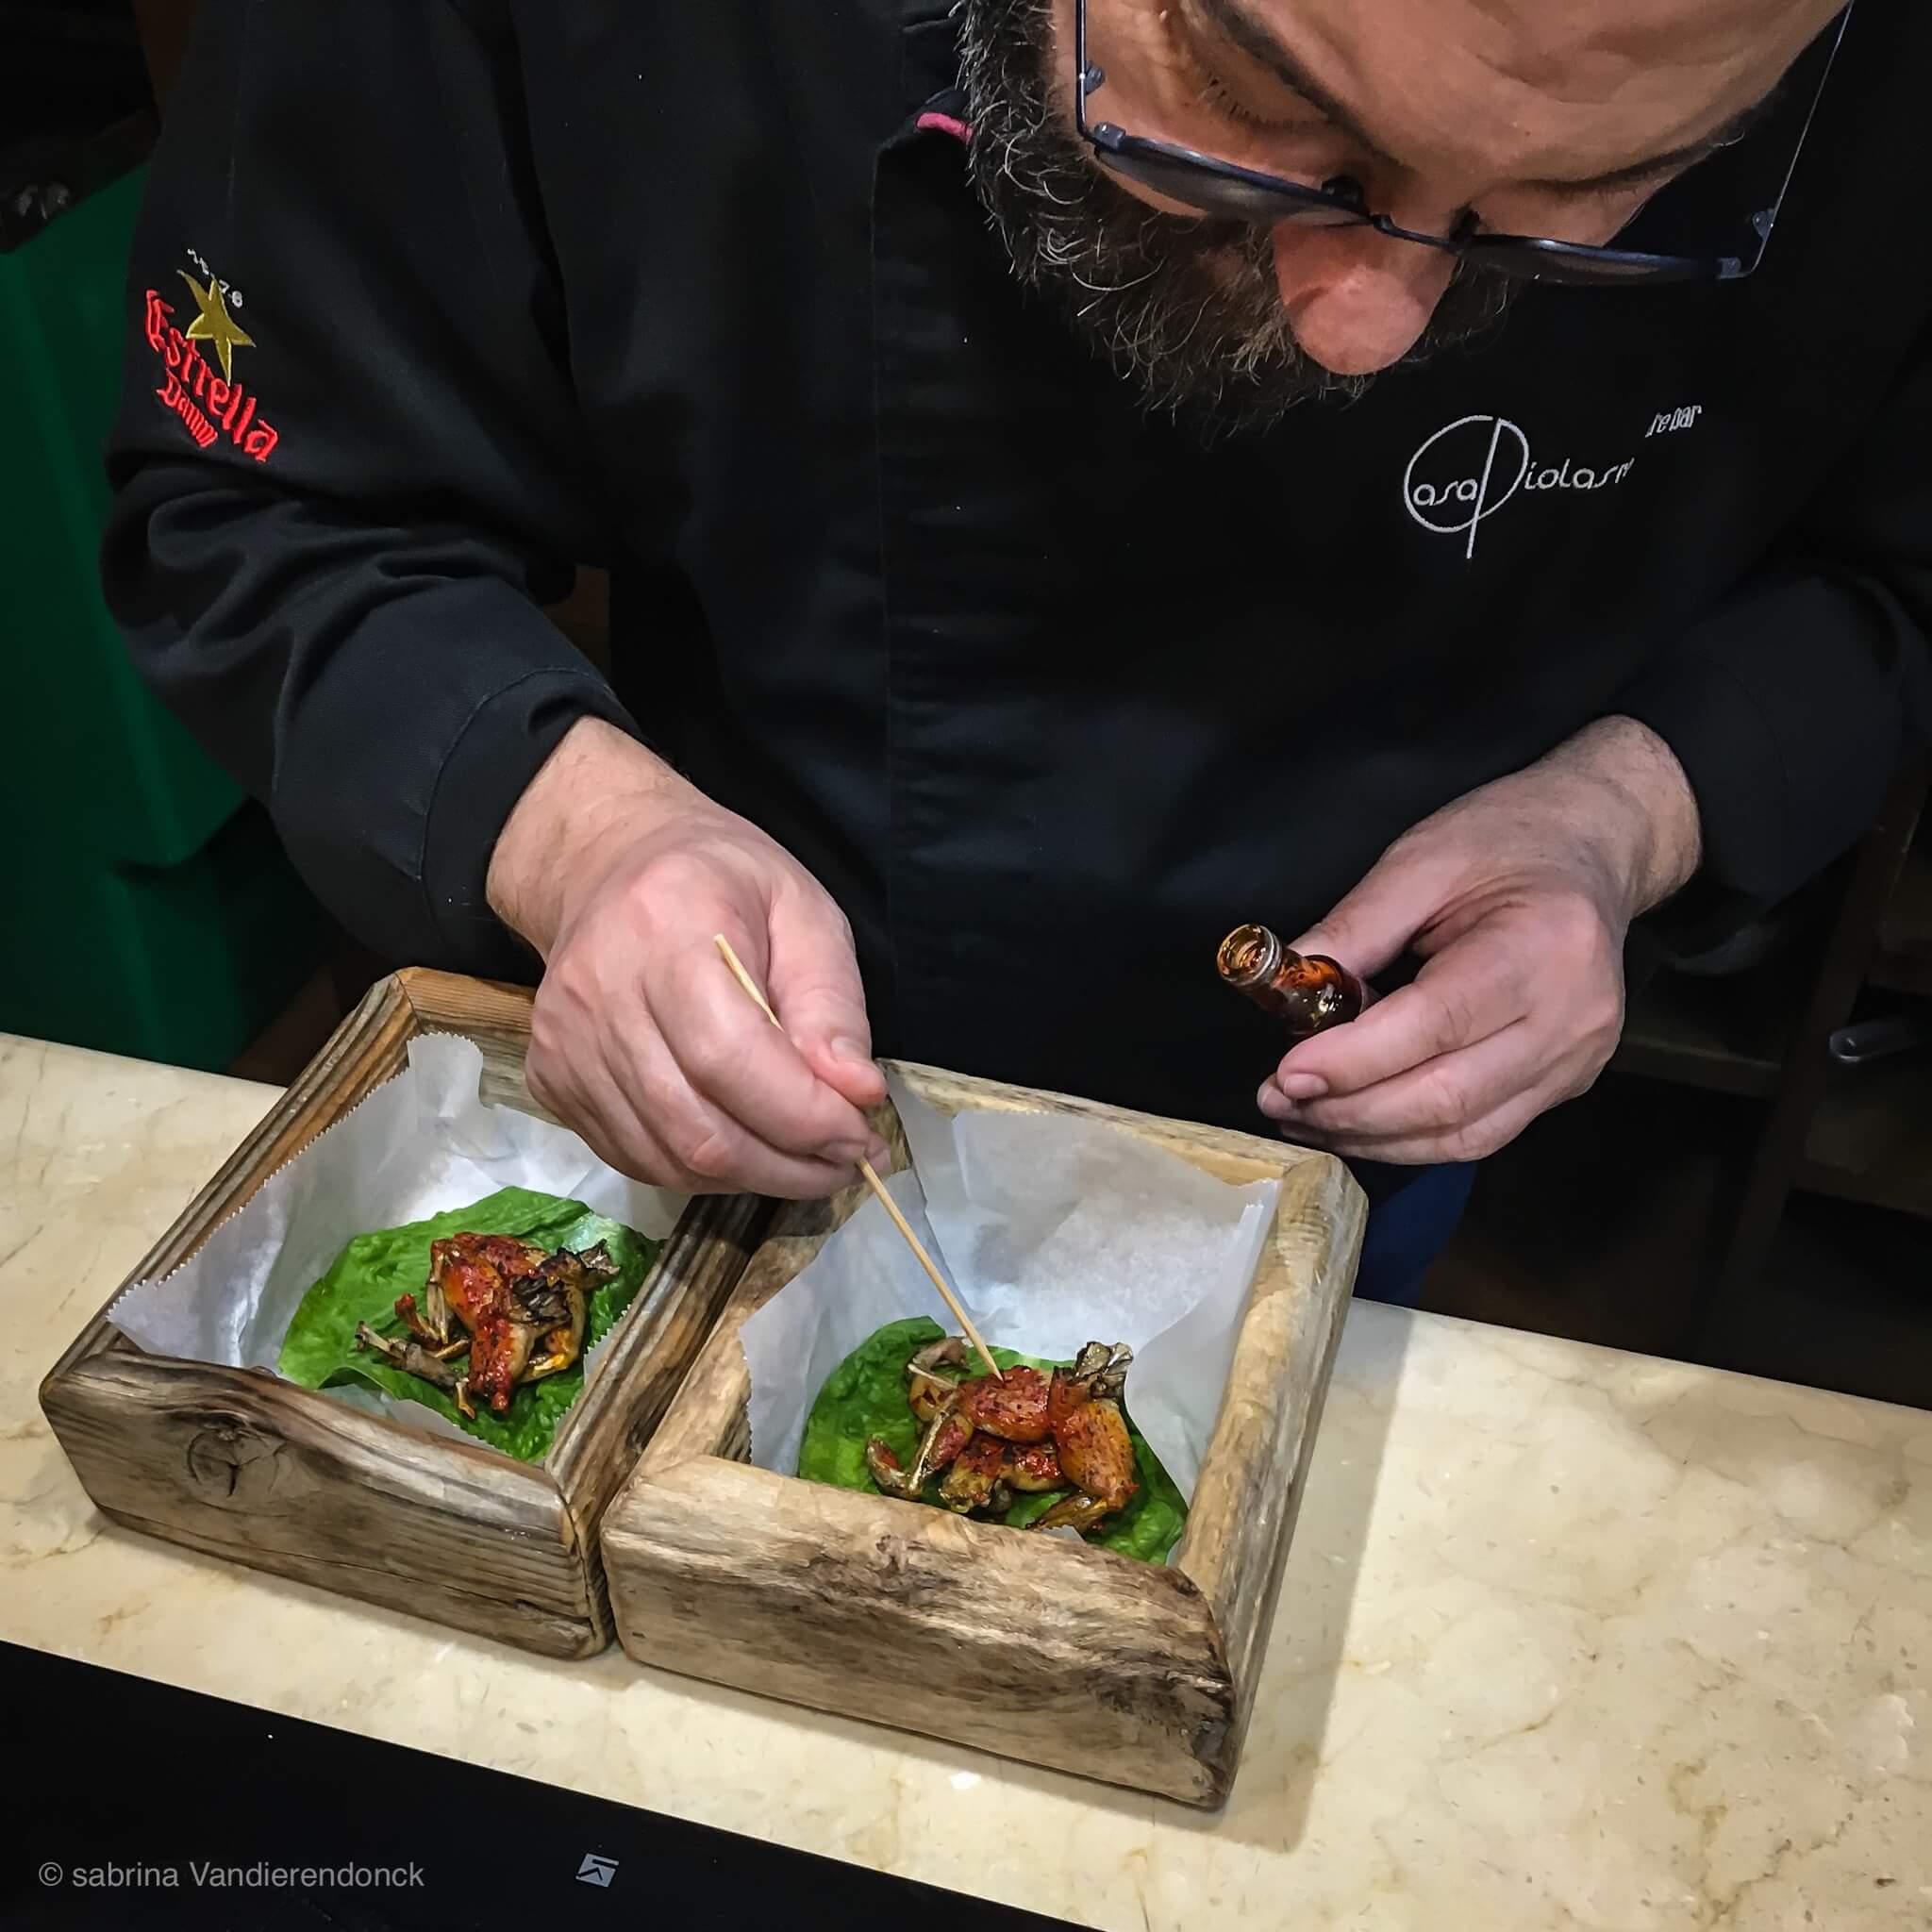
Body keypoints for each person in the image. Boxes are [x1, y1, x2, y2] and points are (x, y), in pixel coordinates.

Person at [105, 0, 1929, 1303]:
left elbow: (1896, 572)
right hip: (733, 1047)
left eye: (1580, 205)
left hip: (1380, 1099)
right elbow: (272, 510)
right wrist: (586, 838)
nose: (1364, 331)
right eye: (1261, 99)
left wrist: (1624, 817)